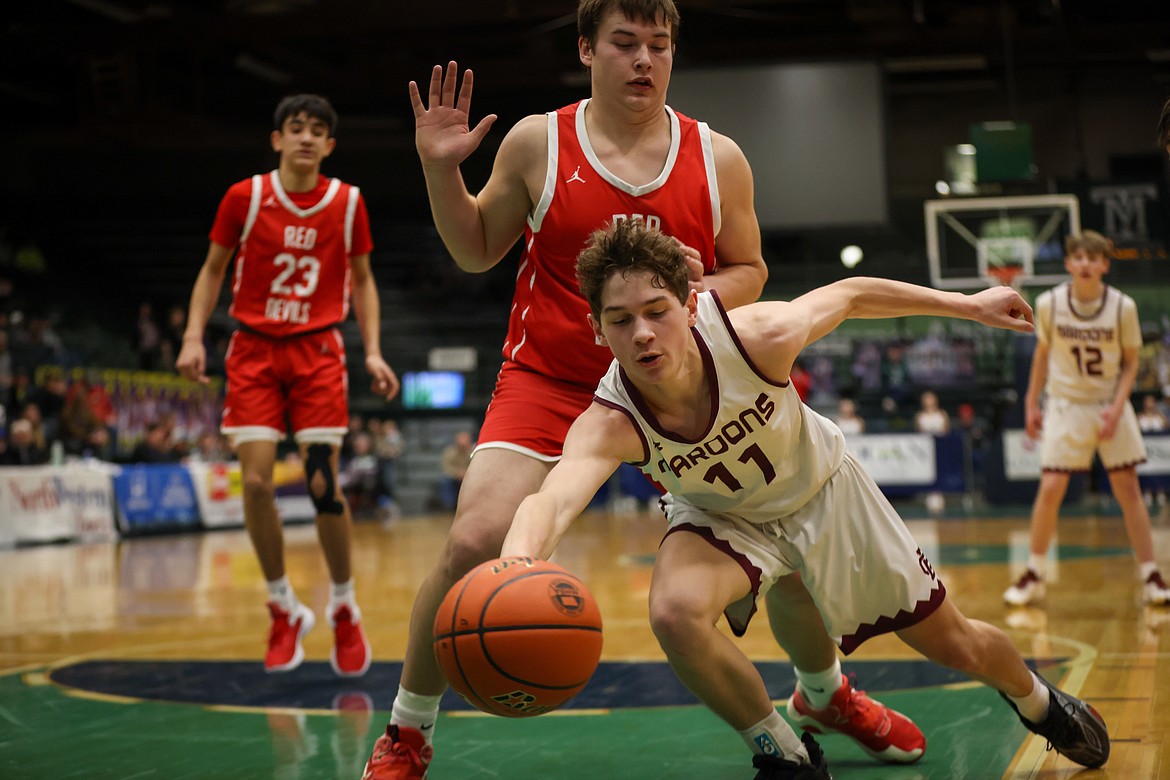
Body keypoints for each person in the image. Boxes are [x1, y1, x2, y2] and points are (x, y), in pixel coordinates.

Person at [362, 2, 923, 777]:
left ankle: (823, 691)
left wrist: (701, 290)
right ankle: (407, 732)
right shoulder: (539, 141)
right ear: (587, 48)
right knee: (470, 542)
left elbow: (750, 269)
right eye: (625, 43)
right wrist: (438, 170)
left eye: (659, 45)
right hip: (553, 377)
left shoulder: (716, 156)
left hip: (671, 382)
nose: (643, 60)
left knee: (786, 549)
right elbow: (475, 249)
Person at [500, 218, 1111, 778]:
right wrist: (515, 566)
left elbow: (849, 295)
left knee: (953, 643)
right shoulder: (611, 419)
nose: (642, 334)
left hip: (821, 489)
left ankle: (1035, 700)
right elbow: (551, 499)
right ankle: (782, 750)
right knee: (674, 612)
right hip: (722, 515)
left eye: (656, 310)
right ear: (597, 330)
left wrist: (966, 305)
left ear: (689, 306)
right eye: (620, 320)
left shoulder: (756, 337)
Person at [176, 94, 400, 677]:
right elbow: (212, 270)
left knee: (324, 483)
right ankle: (283, 606)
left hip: (318, 349)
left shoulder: (347, 203)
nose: (305, 137)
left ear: (330, 145)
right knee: (253, 482)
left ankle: (344, 607)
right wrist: (194, 337)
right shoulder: (244, 197)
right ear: (276, 139)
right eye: (294, 128)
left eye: (317, 130)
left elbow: (364, 281)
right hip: (252, 348)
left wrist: (372, 350)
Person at [1003, 231, 1170, 607]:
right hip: (1064, 403)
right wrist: (1031, 404)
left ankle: (1151, 575)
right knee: (1050, 488)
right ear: (1068, 263)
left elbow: (1131, 363)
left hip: (1109, 401)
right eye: (1078, 257)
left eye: (1093, 258)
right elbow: (1042, 356)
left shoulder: (1123, 307)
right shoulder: (1048, 303)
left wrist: (1117, 406)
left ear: (1104, 265)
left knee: (1128, 488)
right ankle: (1033, 571)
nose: (1085, 264)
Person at [914, 390, 950, 513]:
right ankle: (929, 495)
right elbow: (918, 432)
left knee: (940, 469)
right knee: (928, 470)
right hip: (926, 449)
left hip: (940, 447)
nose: (928, 401)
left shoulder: (942, 414)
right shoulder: (920, 416)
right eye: (926, 398)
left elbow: (946, 431)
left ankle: (939, 494)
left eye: (931, 398)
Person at [437, 430, 473, 511]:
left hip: (469, 478)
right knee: (446, 481)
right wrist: (458, 473)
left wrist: (466, 474)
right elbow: (446, 468)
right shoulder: (449, 452)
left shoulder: (473, 452)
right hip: (454, 479)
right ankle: (449, 506)